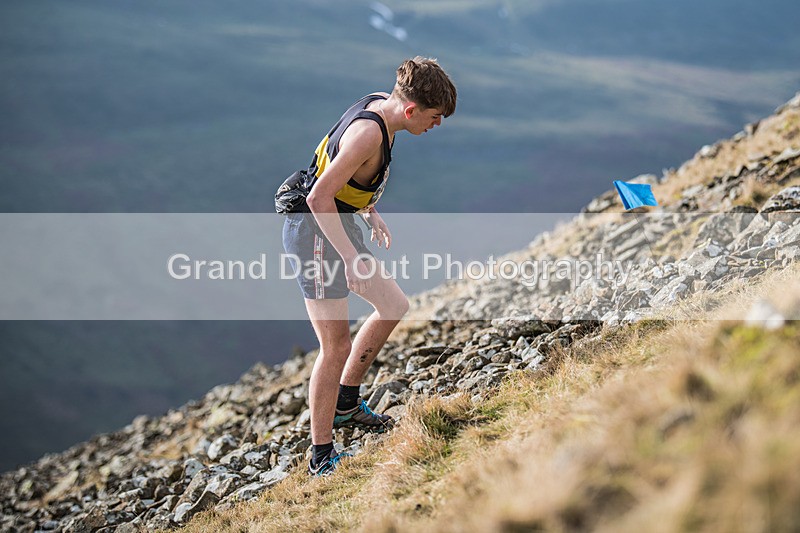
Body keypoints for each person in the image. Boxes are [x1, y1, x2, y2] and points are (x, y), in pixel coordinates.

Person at [281, 57, 457, 476]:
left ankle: (346, 403)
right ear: (411, 110)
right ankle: (320, 456)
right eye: (434, 117)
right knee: (335, 347)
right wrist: (351, 257)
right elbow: (318, 197)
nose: (437, 125)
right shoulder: (368, 134)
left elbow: (345, 175)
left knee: (393, 305)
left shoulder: (383, 106)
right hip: (316, 234)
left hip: (337, 225)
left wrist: (369, 208)